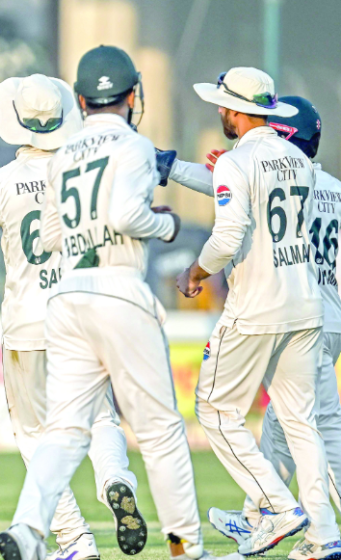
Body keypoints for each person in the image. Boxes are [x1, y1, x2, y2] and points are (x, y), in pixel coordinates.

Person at [0, 45, 235, 560]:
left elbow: (56, 234)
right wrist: (166, 224)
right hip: (118, 289)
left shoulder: (64, 155)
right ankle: (185, 548)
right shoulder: (133, 145)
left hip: (67, 296)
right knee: (162, 431)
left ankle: (28, 528)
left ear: (81, 100)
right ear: (132, 96)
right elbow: (128, 215)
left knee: (64, 430)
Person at [0, 73, 144, 560]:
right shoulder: (89, 171)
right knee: (100, 419)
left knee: (35, 435)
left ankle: (75, 540)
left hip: (29, 323)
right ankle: (116, 479)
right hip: (87, 314)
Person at [164, 94, 341, 560]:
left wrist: (196, 273)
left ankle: (279, 513)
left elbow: (230, 223)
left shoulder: (252, 164)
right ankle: (293, 525)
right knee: (299, 426)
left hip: (271, 307)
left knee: (229, 412)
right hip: (319, 310)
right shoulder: (320, 179)